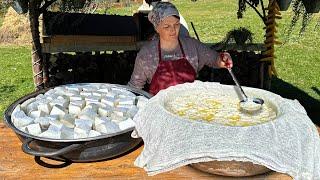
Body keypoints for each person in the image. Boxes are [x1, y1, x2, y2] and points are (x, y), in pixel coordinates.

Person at [128, 2, 233, 95]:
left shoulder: (192, 46)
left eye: (176, 25)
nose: (173, 30)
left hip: (189, 107)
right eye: (167, 26)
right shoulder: (147, 55)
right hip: (161, 112)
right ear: (157, 28)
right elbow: (134, 87)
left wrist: (223, 59)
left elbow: (215, 59)